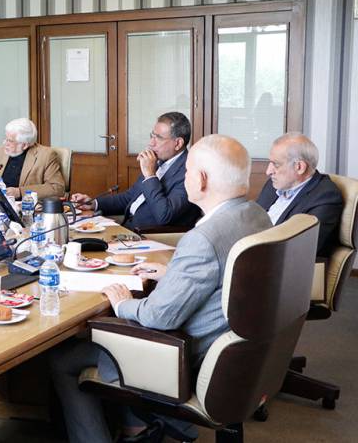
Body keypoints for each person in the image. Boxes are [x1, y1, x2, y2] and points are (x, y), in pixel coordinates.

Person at [50, 135, 272, 443]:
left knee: (62, 359)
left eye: (188, 170)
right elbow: (228, 273)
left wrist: (123, 303)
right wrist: (173, 273)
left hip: (181, 358)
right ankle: (142, 424)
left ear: (202, 179)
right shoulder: (257, 215)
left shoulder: (203, 238)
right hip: (234, 353)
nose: (184, 176)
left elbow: (159, 317)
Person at [71, 112, 200, 231]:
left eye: (159, 138)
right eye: (152, 136)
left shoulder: (189, 172)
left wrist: (150, 176)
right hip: (127, 230)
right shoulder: (158, 161)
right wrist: (93, 203)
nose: (151, 143)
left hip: (150, 237)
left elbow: (164, 215)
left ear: (178, 143)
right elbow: (129, 197)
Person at [257, 132, 343, 256]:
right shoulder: (274, 184)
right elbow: (252, 222)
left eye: (276, 164)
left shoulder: (326, 197)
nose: (268, 171)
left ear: (299, 167)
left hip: (275, 261)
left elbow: (302, 249)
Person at [0, 117, 65, 200]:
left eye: (10, 141)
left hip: (26, 205)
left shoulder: (46, 155)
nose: (5, 143)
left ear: (24, 145)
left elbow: (57, 188)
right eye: (6, 138)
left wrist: (20, 192)